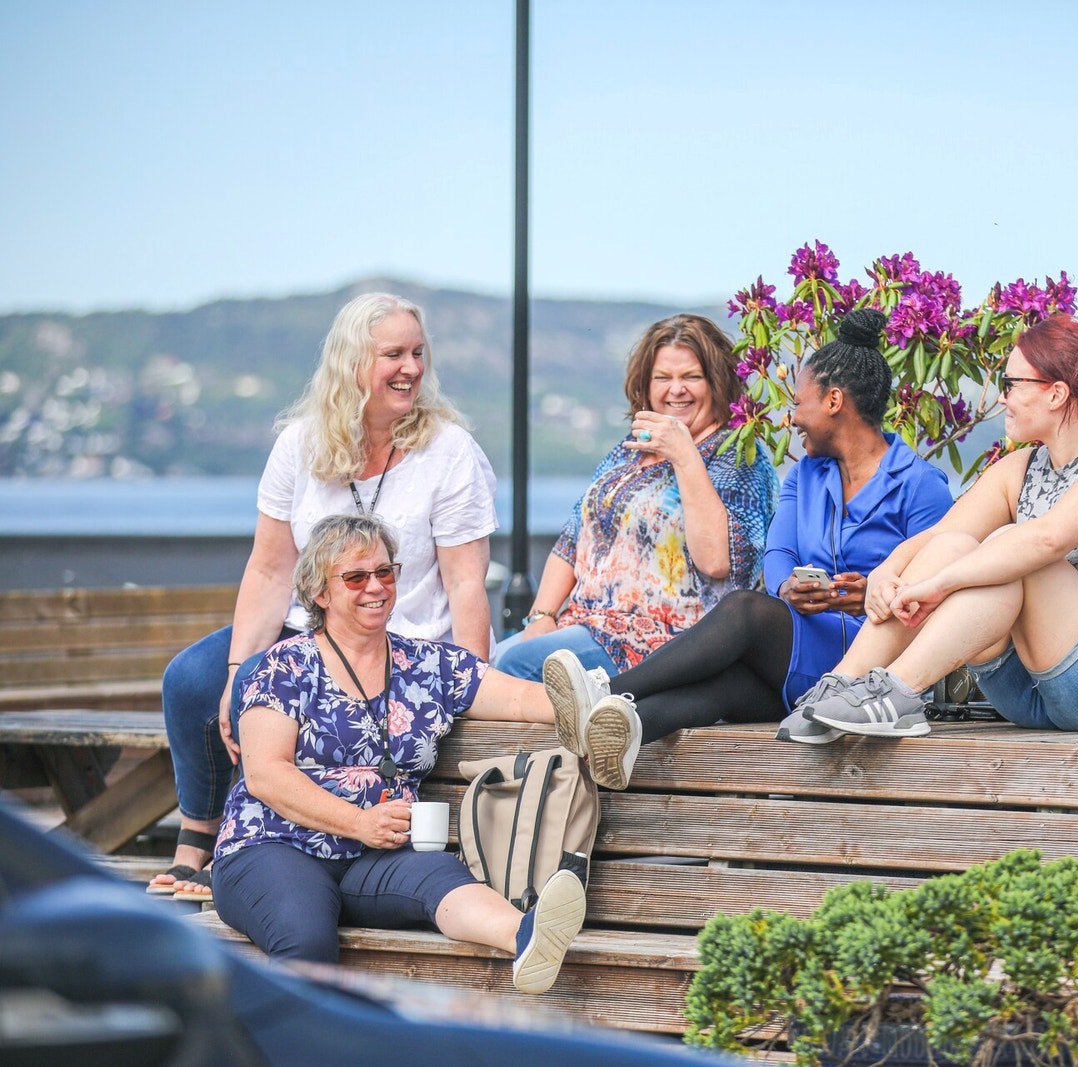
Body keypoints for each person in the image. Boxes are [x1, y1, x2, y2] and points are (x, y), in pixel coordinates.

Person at [150, 293, 497, 901]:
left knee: (260, 685)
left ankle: (246, 845)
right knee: (190, 679)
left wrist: (472, 681)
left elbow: (466, 582)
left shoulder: (448, 451)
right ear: (352, 362)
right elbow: (269, 570)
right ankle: (198, 835)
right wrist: (233, 673)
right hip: (313, 630)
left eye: (418, 353)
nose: (412, 368)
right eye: (394, 354)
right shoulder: (300, 444)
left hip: (403, 642)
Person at [539, 309, 954, 788]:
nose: (792, 418)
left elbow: (937, 592)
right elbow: (778, 555)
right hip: (803, 657)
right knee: (725, 688)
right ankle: (625, 732)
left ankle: (605, 692)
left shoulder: (920, 485)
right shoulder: (805, 475)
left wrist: (870, 595)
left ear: (834, 401)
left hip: (867, 662)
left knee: (743, 610)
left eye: (799, 404)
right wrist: (787, 587)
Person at [211, 515, 586, 996]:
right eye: (356, 577)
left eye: (385, 572)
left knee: (440, 876)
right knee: (306, 938)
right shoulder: (282, 666)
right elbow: (265, 774)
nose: (376, 587)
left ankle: (528, 937)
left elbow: (518, 699)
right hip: (275, 846)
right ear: (320, 592)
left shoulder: (429, 664)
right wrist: (357, 822)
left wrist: (595, 705)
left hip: (376, 853)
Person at [797, 313, 1078, 739]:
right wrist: (888, 569)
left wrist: (940, 585)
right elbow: (937, 536)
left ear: (1057, 393)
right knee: (953, 544)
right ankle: (842, 684)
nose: (1003, 399)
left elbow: (1045, 540)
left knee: (1012, 549)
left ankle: (898, 692)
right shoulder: (1020, 468)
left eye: (1011, 385)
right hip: (1035, 687)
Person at [492, 313, 779, 706]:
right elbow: (572, 539)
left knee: (514, 666)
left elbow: (718, 563)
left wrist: (684, 455)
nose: (676, 389)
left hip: (665, 641)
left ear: (717, 383)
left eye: (691, 377)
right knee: (483, 668)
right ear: (645, 385)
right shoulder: (629, 451)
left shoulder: (738, 456)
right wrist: (541, 616)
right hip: (584, 623)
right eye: (663, 377)